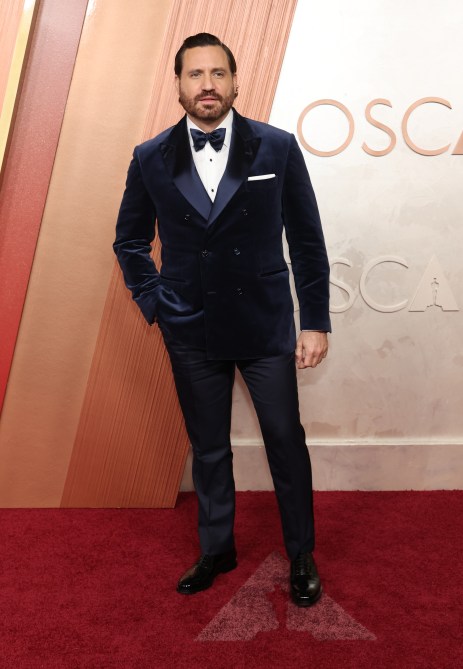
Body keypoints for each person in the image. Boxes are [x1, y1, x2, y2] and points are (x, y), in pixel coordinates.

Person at [114, 33, 331, 607]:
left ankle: (301, 553)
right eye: (195, 74)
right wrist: (156, 301)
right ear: (179, 84)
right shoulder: (149, 156)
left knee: (285, 440)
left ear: (235, 81)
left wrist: (315, 321)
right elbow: (130, 240)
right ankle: (217, 549)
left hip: (263, 324)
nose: (207, 84)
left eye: (217, 73)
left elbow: (307, 241)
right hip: (190, 325)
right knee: (208, 444)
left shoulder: (277, 147)